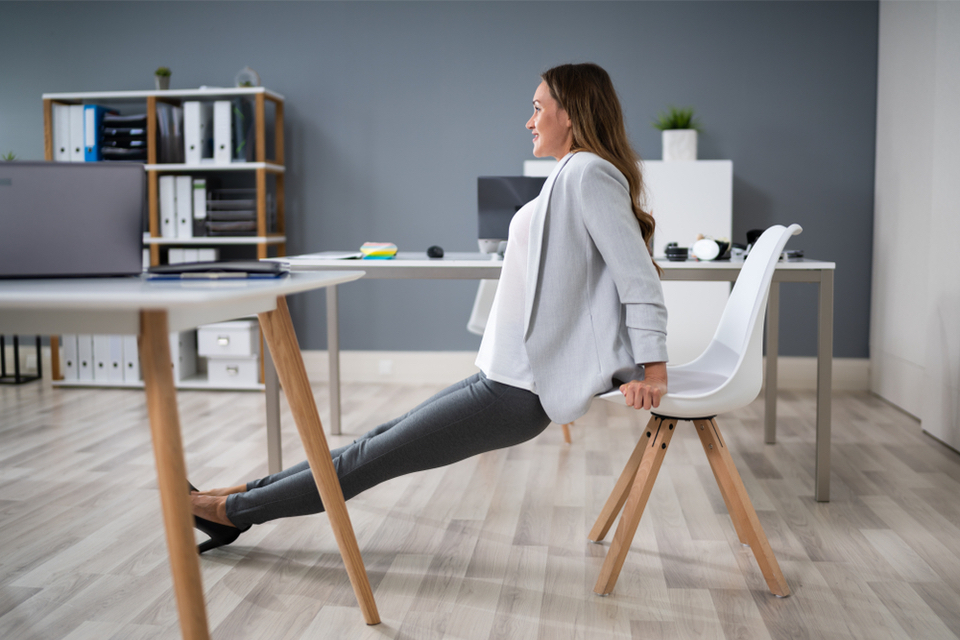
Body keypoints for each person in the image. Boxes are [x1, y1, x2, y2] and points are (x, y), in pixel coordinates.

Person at [190, 62, 669, 552]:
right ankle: (240, 493)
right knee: (369, 444)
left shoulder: (590, 174)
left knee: (368, 459)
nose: (529, 121)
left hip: (518, 391)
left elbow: (638, 278)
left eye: (537, 108)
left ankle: (230, 512)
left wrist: (654, 371)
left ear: (570, 114)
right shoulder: (569, 173)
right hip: (499, 375)